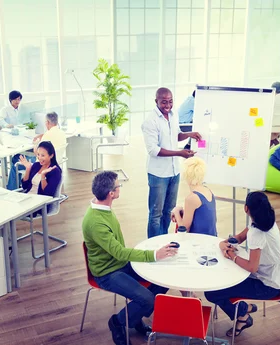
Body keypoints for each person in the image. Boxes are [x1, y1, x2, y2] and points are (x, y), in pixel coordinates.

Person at [82, 171, 178, 345]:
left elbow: (118, 252)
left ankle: (134, 316)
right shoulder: (96, 222)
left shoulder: (103, 207)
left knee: (163, 280)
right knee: (148, 299)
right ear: (111, 193)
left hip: (120, 264)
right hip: (106, 272)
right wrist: (153, 254)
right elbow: (119, 252)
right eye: (119, 186)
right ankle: (117, 322)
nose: (120, 188)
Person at [205, 191, 280, 338]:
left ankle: (242, 315)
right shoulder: (264, 219)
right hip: (271, 274)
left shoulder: (257, 233)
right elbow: (241, 237)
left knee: (212, 292)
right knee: (221, 279)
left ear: (246, 208)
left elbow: (252, 267)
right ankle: (245, 308)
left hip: (268, 285)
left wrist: (231, 255)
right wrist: (227, 242)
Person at [142, 87, 202, 238]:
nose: (167, 105)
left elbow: (176, 135)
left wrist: (190, 134)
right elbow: (153, 150)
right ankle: (153, 245)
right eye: (164, 102)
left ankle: (163, 239)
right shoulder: (150, 121)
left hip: (174, 172)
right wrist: (179, 153)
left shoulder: (173, 115)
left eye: (170, 101)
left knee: (169, 210)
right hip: (158, 174)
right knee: (156, 213)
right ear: (156, 102)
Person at [7, 111, 67, 190]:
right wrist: (42, 135)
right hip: (55, 161)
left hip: (42, 162)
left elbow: (38, 154)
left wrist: (35, 144)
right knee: (17, 158)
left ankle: (11, 189)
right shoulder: (62, 132)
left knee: (15, 160)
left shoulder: (48, 135)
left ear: (47, 122)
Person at [171, 157, 217, 236]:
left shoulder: (192, 198)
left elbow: (183, 228)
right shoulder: (208, 191)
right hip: (211, 237)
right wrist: (182, 211)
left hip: (198, 240)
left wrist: (176, 211)